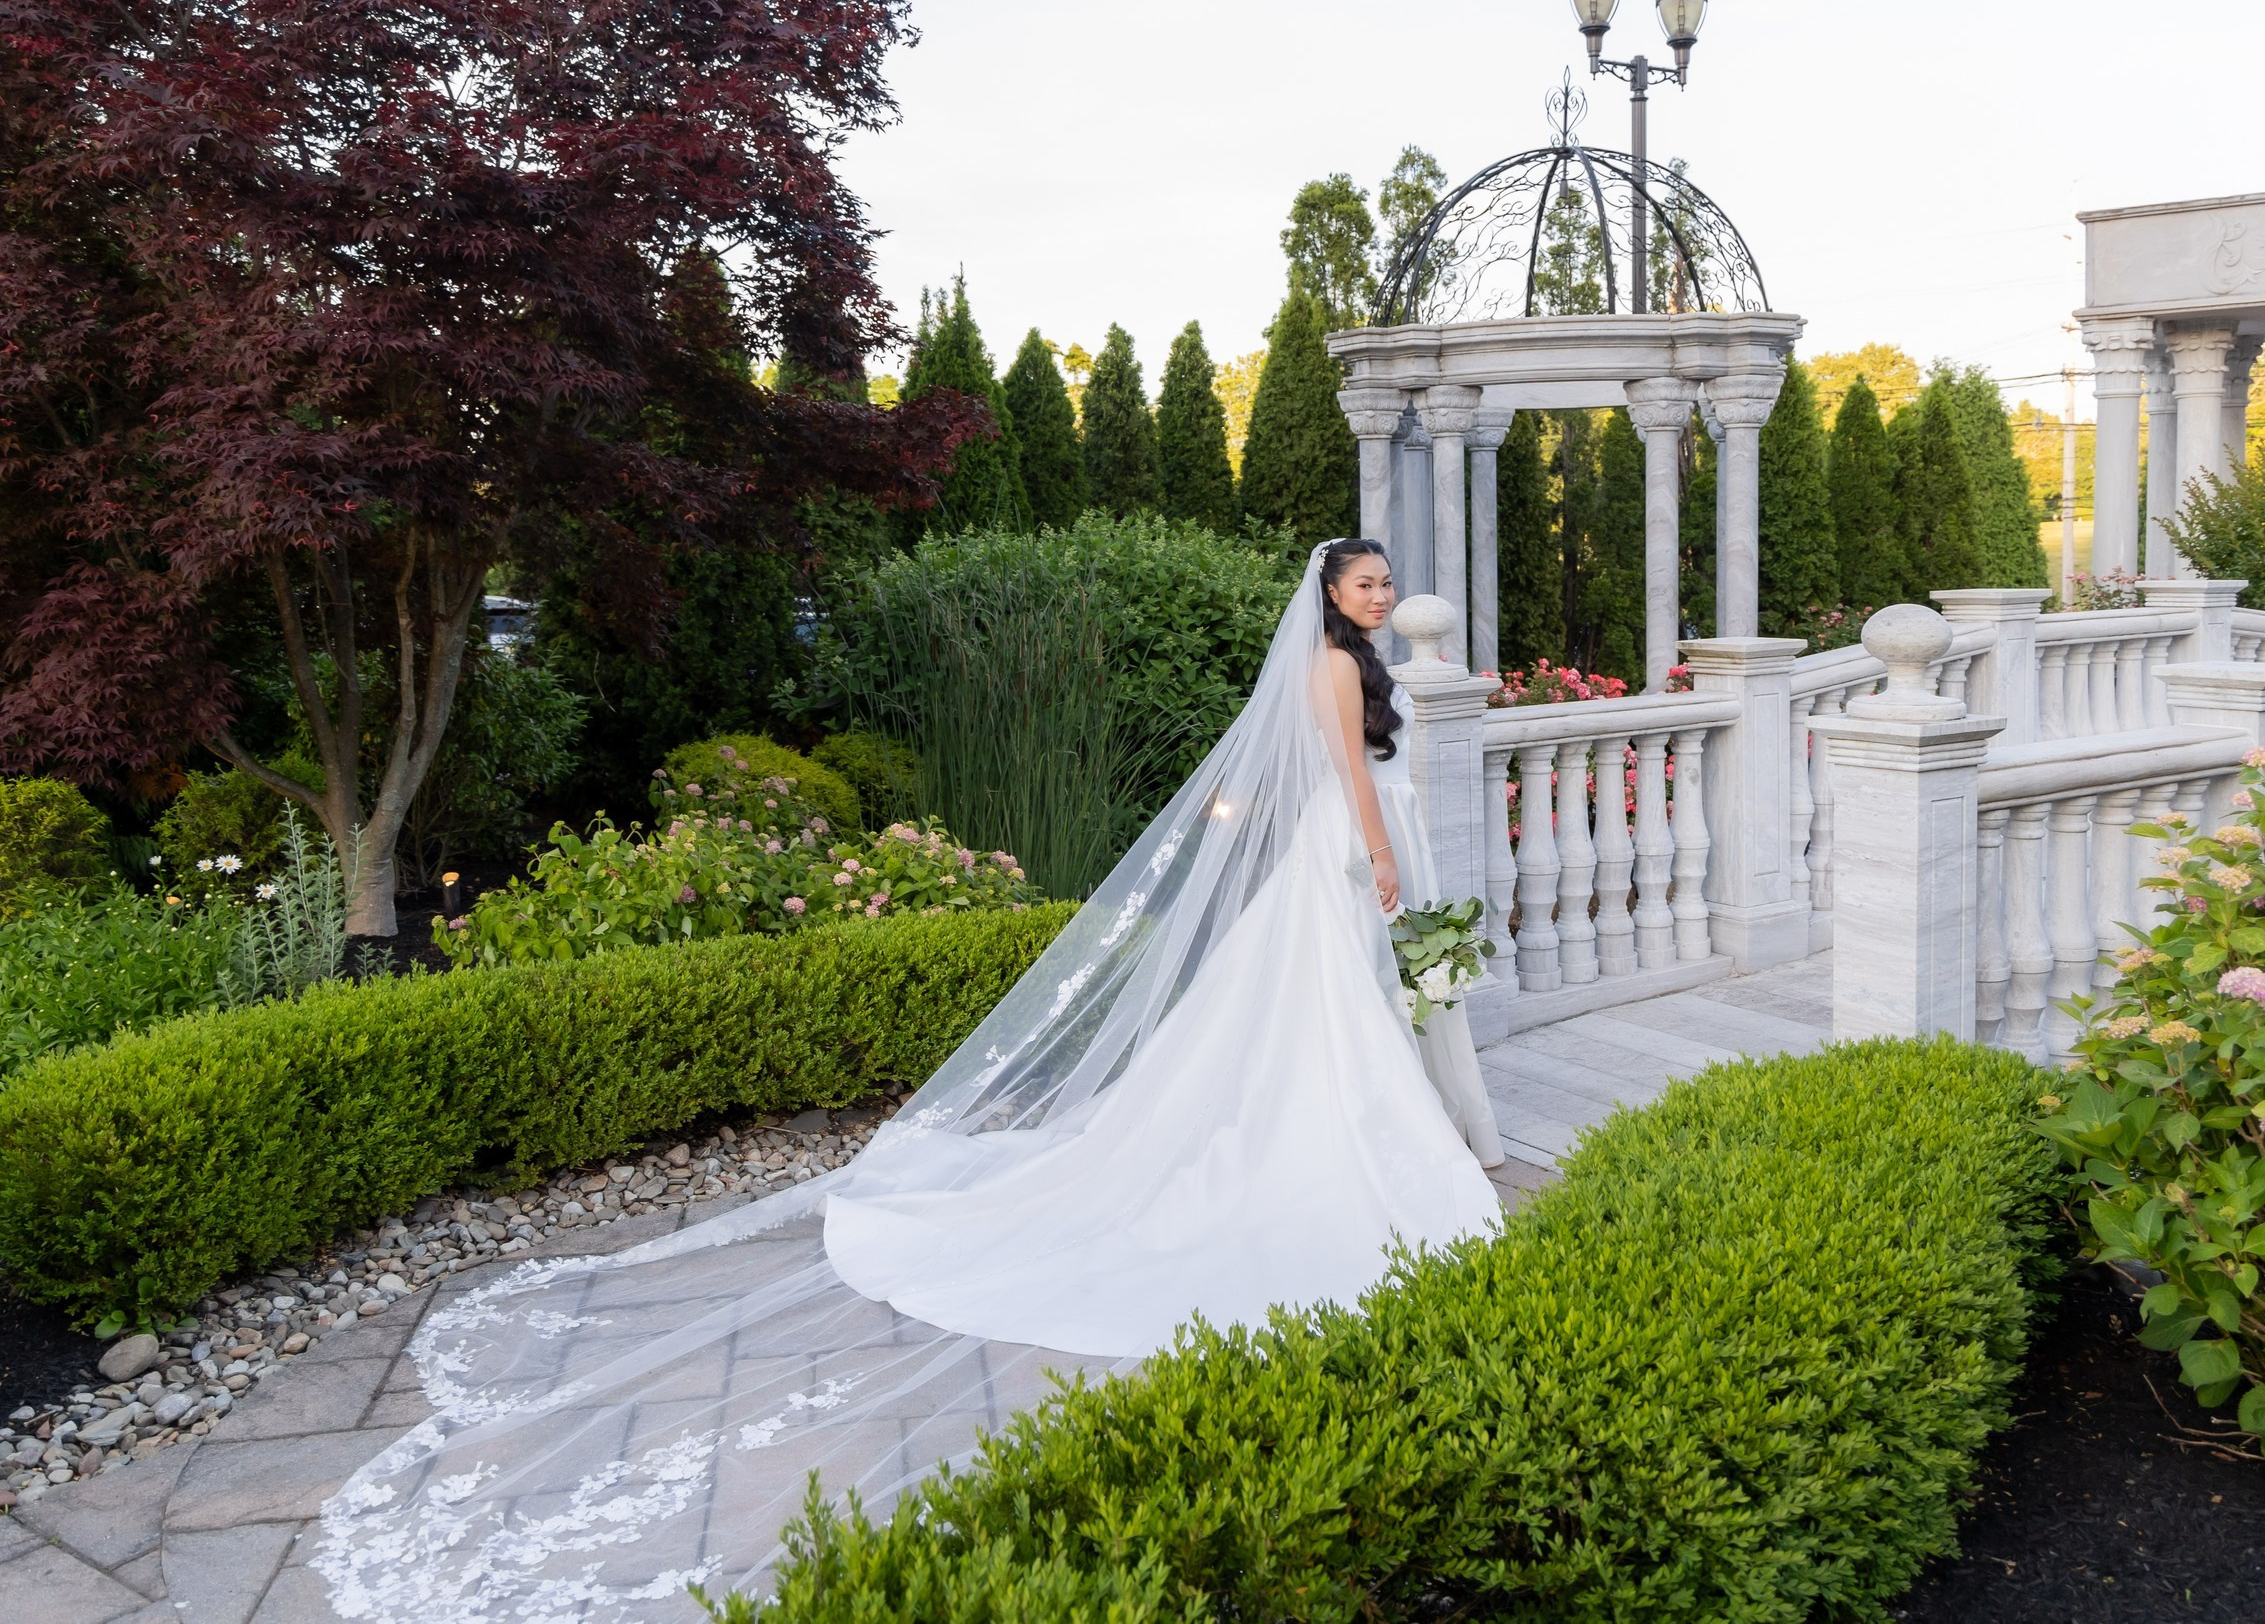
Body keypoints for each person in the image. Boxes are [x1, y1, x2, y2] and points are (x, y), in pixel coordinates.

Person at [312, 539, 1506, 1621]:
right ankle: (1339, 1145)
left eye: (1387, 584)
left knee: (1328, 1010)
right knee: (1326, 1011)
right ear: (1330, 597)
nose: (1382, 597)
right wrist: (1386, 852)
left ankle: (1346, 1124)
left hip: (1348, 847)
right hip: (1353, 848)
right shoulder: (1338, 671)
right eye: (1365, 586)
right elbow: (1345, 770)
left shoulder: (1349, 657)